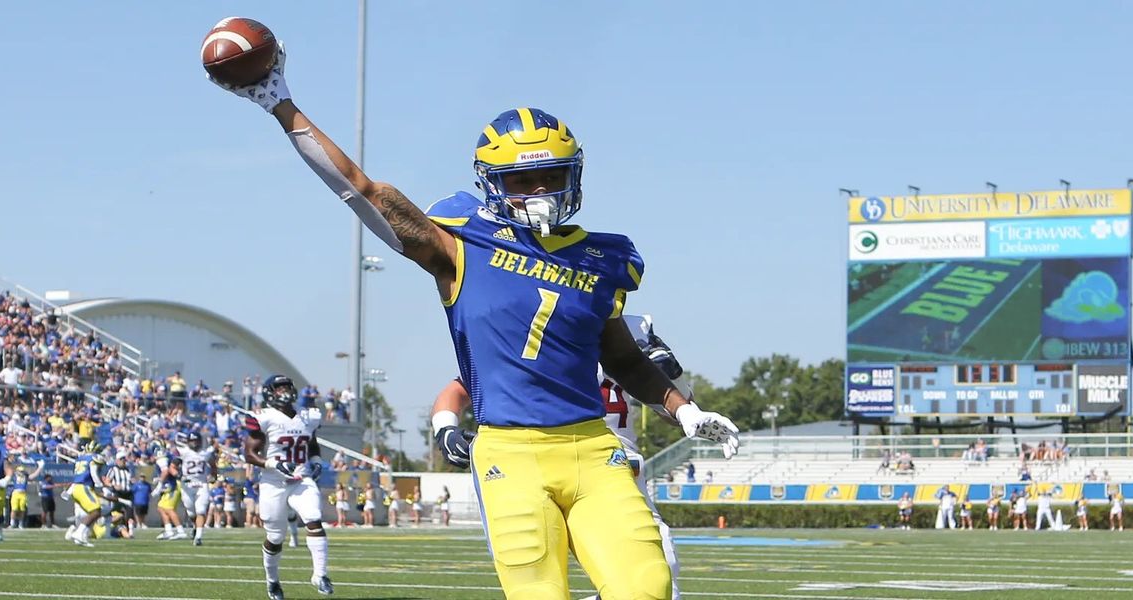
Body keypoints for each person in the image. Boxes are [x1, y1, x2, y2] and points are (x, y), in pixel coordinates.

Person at [213, 43, 739, 600]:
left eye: (550, 176)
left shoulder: (606, 257)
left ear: (574, 175)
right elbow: (360, 188)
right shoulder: (461, 246)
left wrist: (684, 410)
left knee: (648, 587)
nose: (538, 191)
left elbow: (623, 356)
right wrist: (281, 104)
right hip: (509, 453)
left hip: (592, 447)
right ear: (492, 183)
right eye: (520, 180)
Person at [432, 314, 699, 600]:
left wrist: (673, 376)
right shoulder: (536, 324)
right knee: (538, 584)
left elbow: (676, 411)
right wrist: (444, 427)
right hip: (541, 461)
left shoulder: (630, 329)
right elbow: (461, 387)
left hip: (614, 466)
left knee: (656, 574)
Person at [242, 374, 333, 598]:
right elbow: (250, 454)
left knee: (313, 517)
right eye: (279, 388)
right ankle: (272, 581)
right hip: (273, 483)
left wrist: (316, 461)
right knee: (275, 536)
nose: (284, 392)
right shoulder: (264, 417)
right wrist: (272, 463)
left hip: (301, 479)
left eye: (286, 387)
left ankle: (319, 575)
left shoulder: (308, 416)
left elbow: (311, 443)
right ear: (269, 393)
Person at [63, 440, 107, 547]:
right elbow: (94, 474)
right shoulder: (93, 458)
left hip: (76, 488)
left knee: (90, 513)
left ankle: (81, 537)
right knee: (96, 512)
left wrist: (68, 492)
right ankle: (78, 533)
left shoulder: (80, 459)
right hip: (84, 487)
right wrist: (100, 486)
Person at [178, 431, 217, 545]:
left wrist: (213, 475)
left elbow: (213, 465)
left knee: (201, 510)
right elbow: (173, 465)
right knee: (191, 512)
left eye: (196, 441)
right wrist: (178, 475)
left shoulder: (206, 453)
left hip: (202, 484)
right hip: (187, 485)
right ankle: (196, 527)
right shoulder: (183, 452)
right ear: (188, 442)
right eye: (192, 441)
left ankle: (198, 537)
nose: (194, 443)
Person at [154, 456, 186, 541]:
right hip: (173, 485)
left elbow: (167, 471)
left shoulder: (164, 459)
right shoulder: (168, 458)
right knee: (161, 508)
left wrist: (159, 485)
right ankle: (168, 531)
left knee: (169, 509)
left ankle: (181, 531)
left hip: (174, 486)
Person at [8, 461, 44, 529]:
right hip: (15, 493)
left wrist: (40, 468)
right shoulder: (14, 476)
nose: (21, 472)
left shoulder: (25, 476)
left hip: (23, 493)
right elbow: (9, 468)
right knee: (14, 509)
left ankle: (20, 523)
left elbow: (33, 476)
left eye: (22, 471)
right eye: (19, 471)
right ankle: (12, 523)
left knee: (22, 509)